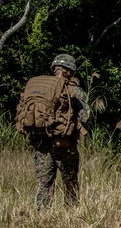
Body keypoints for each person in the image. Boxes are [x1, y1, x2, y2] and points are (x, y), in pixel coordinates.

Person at [28, 53, 89, 208]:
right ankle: (72, 215)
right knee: (70, 183)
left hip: (42, 144)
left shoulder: (42, 90)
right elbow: (85, 116)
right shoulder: (74, 91)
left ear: (55, 69)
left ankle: (42, 217)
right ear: (70, 71)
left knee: (44, 184)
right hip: (65, 145)